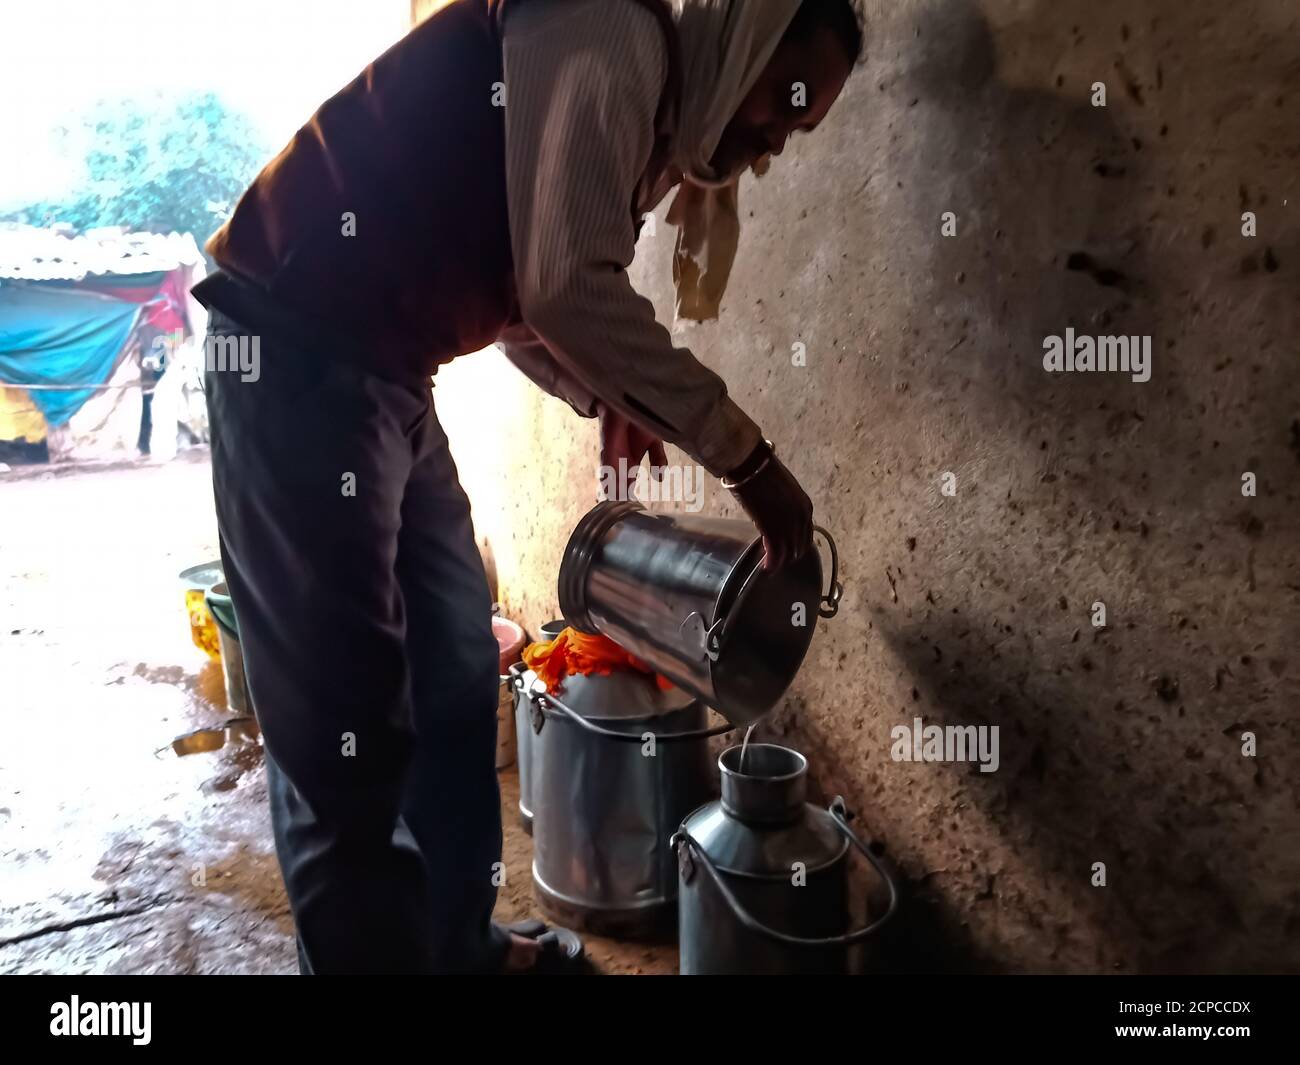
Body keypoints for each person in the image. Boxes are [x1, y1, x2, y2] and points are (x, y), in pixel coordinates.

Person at [191, 0, 861, 974]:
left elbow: (523, 297)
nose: (775, 139)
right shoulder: (610, 32)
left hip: (387, 374)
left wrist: (600, 386)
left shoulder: (643, 110)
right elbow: (562, 287)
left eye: (799, 128)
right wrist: (746, 460)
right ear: (750, 37)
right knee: (343, 727)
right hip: (295, 351)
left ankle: (456, 949)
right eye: (785, 99)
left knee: (456, 663)